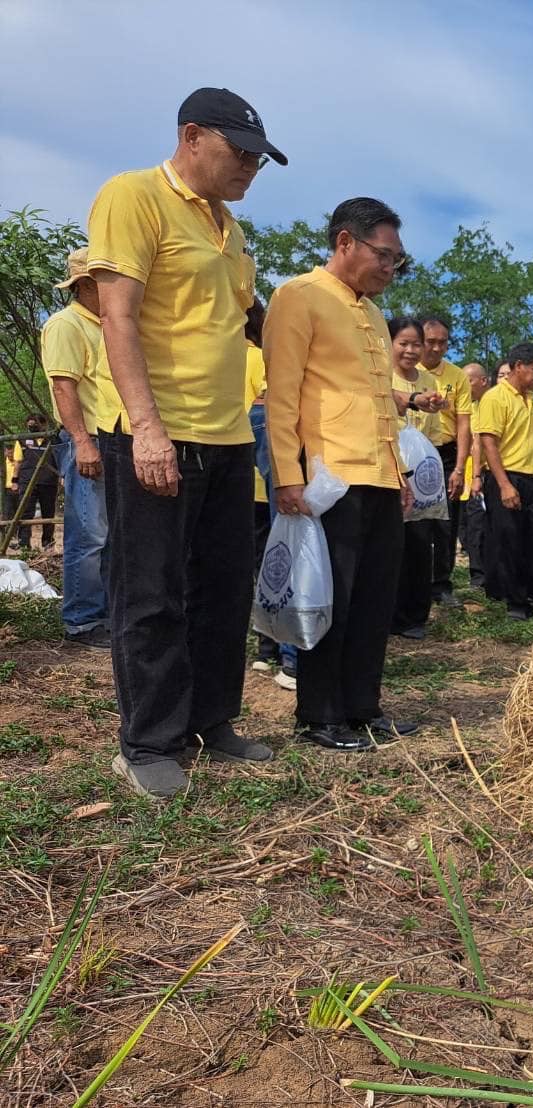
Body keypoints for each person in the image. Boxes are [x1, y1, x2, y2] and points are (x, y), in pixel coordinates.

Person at [87, 86, 285, 797]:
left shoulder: (229, 231)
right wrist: (146, 428)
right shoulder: (134, 196)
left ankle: (212, 719)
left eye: (260, 161)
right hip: (156, 431)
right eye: (241, 154)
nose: (250, 169)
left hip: (228, 435)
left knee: (223, 587)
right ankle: (147, 741)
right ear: (193, 135)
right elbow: (118, 317)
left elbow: (248, 320)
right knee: (151, 593)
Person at [264, 197, 417, 753]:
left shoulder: (373, 314)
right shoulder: (299, 297)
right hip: (329, 477)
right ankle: (319, 715)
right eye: (384, 254)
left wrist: (399, 472)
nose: (390, 267)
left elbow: (378, 401)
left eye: (397, 258)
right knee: (334, 597)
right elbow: (280, 395)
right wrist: (286, 473)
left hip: (378, 475)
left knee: (376, 598)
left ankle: (362, 707)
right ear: (345, 242)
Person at [41, 247, 115, 648]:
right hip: (87, 438)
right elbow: (63, 385)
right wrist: (83, 442)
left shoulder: (108, 324)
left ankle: (102, 612)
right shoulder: (67, 325)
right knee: (89, 534)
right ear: (85, 284)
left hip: (113, 438)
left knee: (110, 534)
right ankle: (83, 620)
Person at [479, 341, 533, 621]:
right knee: (509, 540)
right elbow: (489, 443)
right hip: (507, 476)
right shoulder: (495, 398)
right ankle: (517, 601)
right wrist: (503, 484)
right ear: (518, 366)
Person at [244, 299, 298, 689]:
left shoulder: (232, 359)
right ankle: (289, 656)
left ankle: (266, 648)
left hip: (245, 488)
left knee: (262, 563)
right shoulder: (260, 361)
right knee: (287, 557)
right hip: (276, 487)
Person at [389, 318, 437, 640]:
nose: (410, 350)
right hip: (389, 468)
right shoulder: (382, 374)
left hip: (421, 474)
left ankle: (414, 616)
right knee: (390, 545)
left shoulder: (430, 380)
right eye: (403, 343)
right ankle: (387, 614)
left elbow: (432, 430)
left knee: (421, 544)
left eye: (415, 344)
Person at [418, 317, 471, 607]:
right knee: (415, 521)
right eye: (431, 342)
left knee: (446, 521)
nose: (437, 348)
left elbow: (464, 424)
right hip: (415, 452)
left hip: (446, 453)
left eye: (443, 342)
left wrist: (460, 468)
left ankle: (441, 583)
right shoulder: (405, 371)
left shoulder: (457, 376)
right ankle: (414, 581)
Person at [460, 362, 492, 589]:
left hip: (486, 475)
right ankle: (477, 576)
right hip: (465, 477)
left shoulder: (493, 405)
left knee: (483, 528)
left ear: (483, 380)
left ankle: (486, 576)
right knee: (468, 530)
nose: (465, 385)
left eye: (468, 380)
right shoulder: (466, 408)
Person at [8, 415, 59, 553]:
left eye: (34, 425)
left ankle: (48, 542)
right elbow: (18, 462)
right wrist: (15, 480)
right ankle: (24, 543)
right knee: (25, 512)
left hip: (48, 481)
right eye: (29, 425)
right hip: (27, 480)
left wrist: (62, 476)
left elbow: (59, 459)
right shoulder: (23, 440)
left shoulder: (53, 439)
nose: (31, 427)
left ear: (44, 424)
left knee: (48, 513)